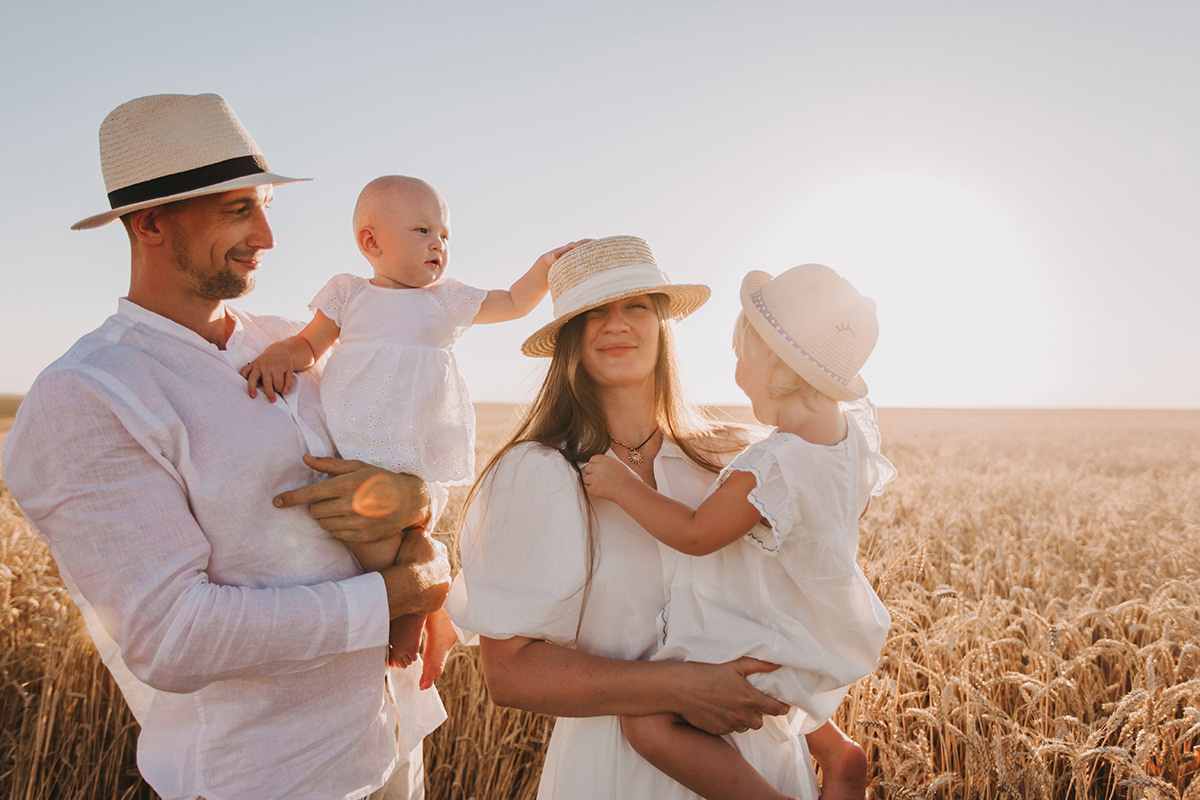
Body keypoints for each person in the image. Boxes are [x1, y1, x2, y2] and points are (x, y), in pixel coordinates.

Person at [1, 93, 451, 800]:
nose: (268, 237)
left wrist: (420, 507)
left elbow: (407, 461)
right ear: (150, 222)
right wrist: (396, 593)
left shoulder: (294, 339)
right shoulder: (87, 395)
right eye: (239, 209)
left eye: (265, 204)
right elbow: (176, 635)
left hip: (393, 745)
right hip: (269, 780)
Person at [446, 236, 869, 799]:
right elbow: (510, 674)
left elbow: (778, 611)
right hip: (620, 770)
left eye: (636, 306)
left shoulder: (735, 456)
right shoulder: (538, 472)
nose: (615, 324)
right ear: (569, 338)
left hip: (760, 762)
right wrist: (680, 688)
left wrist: (833, 747)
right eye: (593, 312)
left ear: (663, 323)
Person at [240, 174, 582, 686]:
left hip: (414, 445)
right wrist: (279, 353)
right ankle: (419, 584)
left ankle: (410, 612)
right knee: (368, 538)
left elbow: (511, 302)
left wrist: (544, 269)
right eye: (423, 231)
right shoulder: (349, 293)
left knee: (386, 523)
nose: (438, 245)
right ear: (371, 243)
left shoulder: (445, 299)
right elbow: (309, 344)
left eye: (444, 235)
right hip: (357, 438)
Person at [581, 264, 896, 800]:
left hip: (766, 627)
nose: (736, 373)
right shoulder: (852, 441)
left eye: (741, 358)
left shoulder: (771, 463)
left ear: (776, 366)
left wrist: (620, 485)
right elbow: (850, 507)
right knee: (776, 671)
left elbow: (697, 534)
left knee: (647, 721)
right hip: (808, 626)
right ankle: (838, 753)